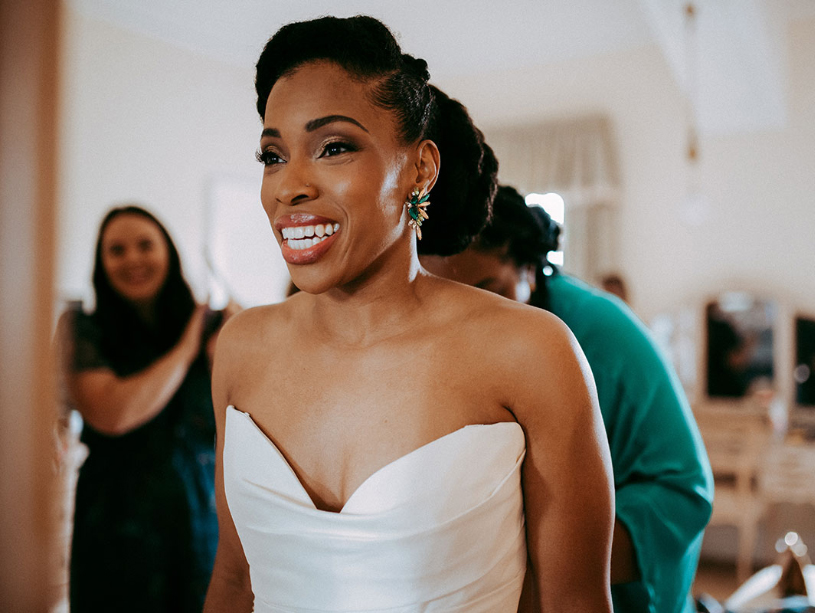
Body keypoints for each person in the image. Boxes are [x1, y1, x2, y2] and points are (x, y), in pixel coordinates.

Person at [204, 16, 615, 613]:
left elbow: (574, 603)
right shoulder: (241, 347)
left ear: (420, 167)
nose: (289, 186)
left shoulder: (533, 354)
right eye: (273, 155)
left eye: (334, 147)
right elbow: (235, 580)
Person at [421, 185, 715, 613]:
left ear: (528, 269)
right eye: (448, 302)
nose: (470, 322)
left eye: (489, 292)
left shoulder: (603, 333)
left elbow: (683, 490)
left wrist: (549, 567)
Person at [59, 205, 233, 612]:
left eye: (144, 245)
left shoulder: (216, 327)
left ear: (168, 252)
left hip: (200, 522)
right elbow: (114, 413)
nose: (133, 258)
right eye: (116, 250)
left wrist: (233, 339)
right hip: (114, 528)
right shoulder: (81, 329)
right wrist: (187, 346)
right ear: (101, 264)